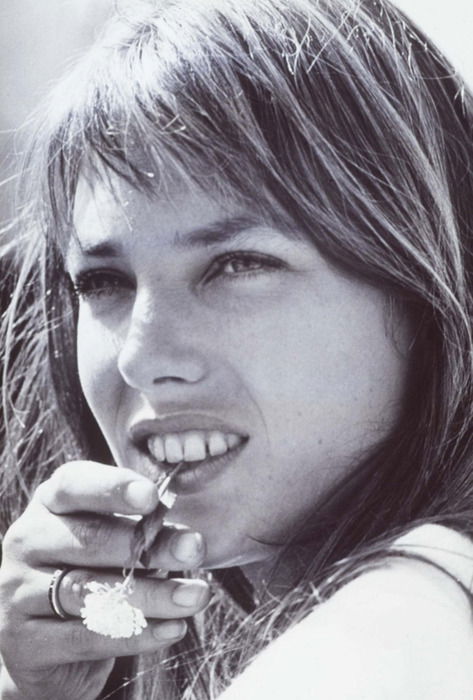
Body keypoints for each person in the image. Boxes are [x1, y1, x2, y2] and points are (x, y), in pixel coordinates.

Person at [1, 0, 473, 697]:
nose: (141, 358)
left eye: (237, 264)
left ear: (423, 287)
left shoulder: (377, 642)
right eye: (102, 282)